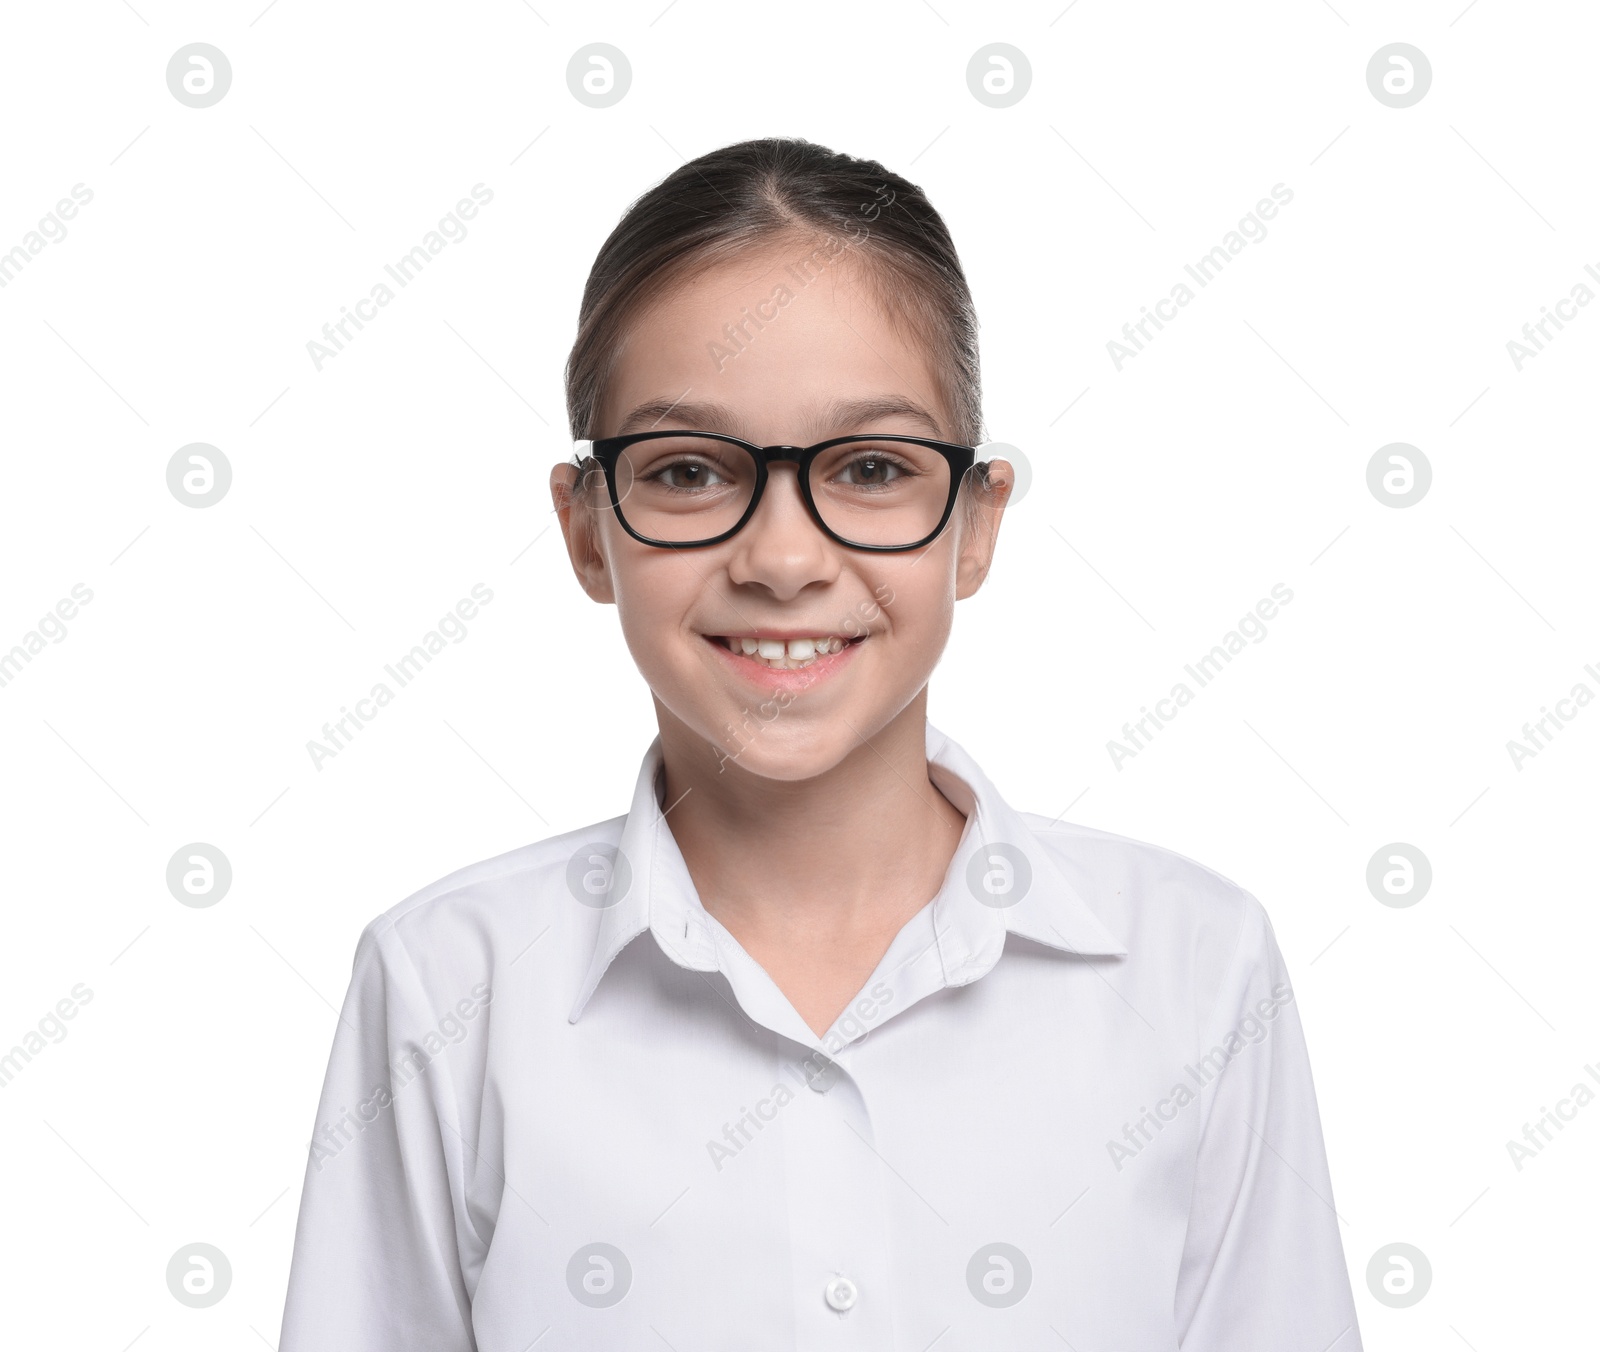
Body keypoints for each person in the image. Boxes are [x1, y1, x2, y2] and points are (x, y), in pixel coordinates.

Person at [278, 136, 1363, 1350]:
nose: (785, 560)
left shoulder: (1193, 966)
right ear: (588, 531)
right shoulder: (448, 986)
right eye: (688, 470)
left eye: (871, 468)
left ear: (974, 523)